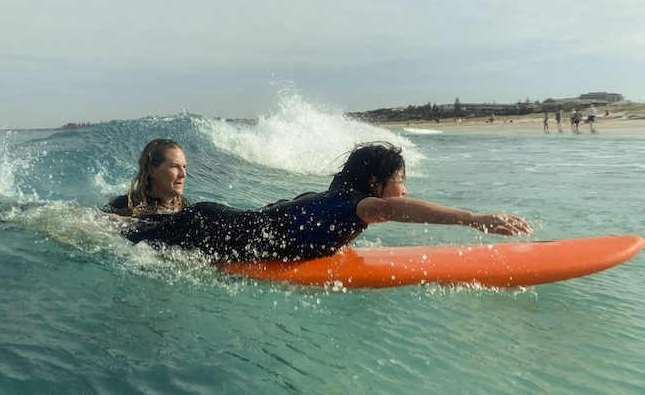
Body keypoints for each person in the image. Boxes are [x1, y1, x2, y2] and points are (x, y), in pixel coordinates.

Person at [121, 142, 531, 262]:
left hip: (219, 222)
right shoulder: (355, 205)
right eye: (400, 181)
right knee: (114, 236)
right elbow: (391, 209)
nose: (403, 190)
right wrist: (474, 219)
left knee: (128, 232)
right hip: (210, 227)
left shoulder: (338, 202)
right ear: (376, 183)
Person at [101, 138, 189, 219]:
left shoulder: (183, 206)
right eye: (175, 166)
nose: (183, 174)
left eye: (184, 167)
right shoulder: (124, 206)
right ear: (152, 171)